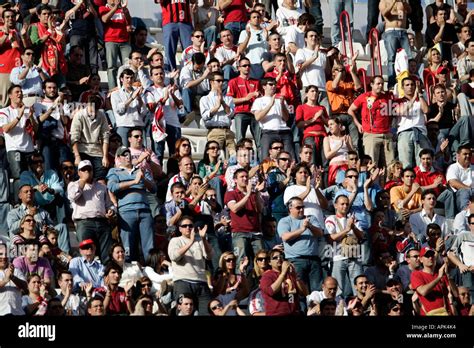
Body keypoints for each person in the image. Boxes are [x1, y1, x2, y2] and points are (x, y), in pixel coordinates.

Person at [107, 146, 156, 262]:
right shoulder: (114, 171)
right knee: (127, 246)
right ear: (118, 158)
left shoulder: (141, 170)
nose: (127, 156)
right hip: (126, 212)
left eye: (128, 154)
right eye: (124, 154)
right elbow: (112, 187)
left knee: (149, 246)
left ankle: (151, 271)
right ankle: (128, 271)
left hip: (144, 211)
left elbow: (154, 188)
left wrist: (143, 179)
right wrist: (134, 182)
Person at [67, 160, 114, 263]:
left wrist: (111, 211)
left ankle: (106, 275)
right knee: (86, 254)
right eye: (83, 170)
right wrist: (83, 181)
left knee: (107, 255)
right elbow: (73, 196)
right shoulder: (72, 185)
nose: (87, 171)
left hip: (102, 222)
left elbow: (109, 205)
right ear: (79, 172)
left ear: (93, 171)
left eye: (89, 169)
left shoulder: (102, 186)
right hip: (84, 223)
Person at [168, 216, 213, 316]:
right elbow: (174, 256)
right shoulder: (175, 241)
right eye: (184, 226)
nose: (188, 228)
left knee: (207, 312)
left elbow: (210, 256)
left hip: (201, 282)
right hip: (183, 282)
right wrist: (190, 242)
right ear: (180, 228)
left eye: (190, 226)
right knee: (182, 313)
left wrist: (203, 239)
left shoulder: (200, 241)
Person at [278, 196, 324, 293]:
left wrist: (310, 226)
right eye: (298, 207)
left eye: (303, 207)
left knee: (317, 291)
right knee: (299, 291)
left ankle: (316, 307)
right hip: (296, 260)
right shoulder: (285, 221)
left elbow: (320, 233)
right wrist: (302, 229)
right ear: (290, 209)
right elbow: (285, 237)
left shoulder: (311, 218)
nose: (302, 209)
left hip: (313, 259)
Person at [7, 184, 70, 254]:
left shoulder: (42, 211)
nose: (29, 193)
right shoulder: (14, 212)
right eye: (26, 192)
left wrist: (47, 229)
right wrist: (30, 215)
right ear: (20, 196)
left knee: (62, 227)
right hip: (25, 241)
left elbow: (51, 226)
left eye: (31, 191)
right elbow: (12, 229)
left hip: (42, 240)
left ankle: (65, 257)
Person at [348, 76, 394, 168]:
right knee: (371, 164)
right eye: (378, 83)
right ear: (372, 84)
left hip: (386, 135)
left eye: (382, 84)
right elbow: (350, 110)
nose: (380, 86)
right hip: (371, 134)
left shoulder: (387, 97)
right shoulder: (364, 97)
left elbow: (392, 113)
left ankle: (389, 183)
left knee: (390, 166)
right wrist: (358, 124)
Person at [0, 85, 37, 195]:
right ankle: (18, 202)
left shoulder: (27, 110)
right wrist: (19, 116)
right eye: (16, 92)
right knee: (18, 176)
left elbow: (36, 129)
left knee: (31, 176)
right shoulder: (4, 111)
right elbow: (5, 129)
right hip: (14, 149)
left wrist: (31, 117)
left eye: (21, 92)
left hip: (29, 148)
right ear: (10, 96)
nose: (20, 94)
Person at [224, 168, 265, 268]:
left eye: (246, 177)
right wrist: (247, 195)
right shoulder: (231, 194)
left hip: (256, 232)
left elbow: (260, 209)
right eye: (241, 177)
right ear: (235, 180)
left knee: (261, 263)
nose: (245, 179)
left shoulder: (253, 194)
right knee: (241, 262)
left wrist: (257, 193)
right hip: (240, 232)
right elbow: (234, 208)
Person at [325, 195, 365, 297]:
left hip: (355, 257)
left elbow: (362, 237)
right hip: (338, 258)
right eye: (342, 204)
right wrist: (347, 229)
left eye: (347, 204)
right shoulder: (331, 219)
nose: (345, 206)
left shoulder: (353, 219)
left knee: (359, 288)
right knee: (337, 289)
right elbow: (331, 238)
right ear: (335, 205)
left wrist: (353, 227)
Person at [144, 66, 183, 162]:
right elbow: (151, 108)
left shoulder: (172, 88)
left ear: (165, 75)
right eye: (156, 74)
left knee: (175, 154)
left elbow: (181, 105)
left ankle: (173, 175)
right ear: (151, 77)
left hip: (173, 123)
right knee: (158, 154)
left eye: (161, 73)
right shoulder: (150, 90)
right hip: (158, 125)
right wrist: (164, 99)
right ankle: (158, 175)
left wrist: (172, 94)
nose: (159, 76)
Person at [252, 77, 294, 161]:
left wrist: (282, 104)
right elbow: (257, 117)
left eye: (275, 84)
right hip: (268, 131)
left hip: (284, 131)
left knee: (290, 158)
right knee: (265, 159)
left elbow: (286, 118)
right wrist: (270, 104)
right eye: (270, 84)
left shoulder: (281, 100)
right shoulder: (259, 101)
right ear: (264, 86)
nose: (274, 86)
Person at [70, 95, 110, 181]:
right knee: (82, 178)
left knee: (101, 178)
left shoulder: (102, 115)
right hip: (82, 149)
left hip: (97, 150)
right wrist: (77, 156)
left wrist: (105, 156)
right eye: (91, 110)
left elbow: (105, 136)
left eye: (95, 111)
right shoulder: (79, 115)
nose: (93, 113)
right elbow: (74, 137)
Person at [394, 77, 431, 169]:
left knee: (423, 163)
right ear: (402, 87)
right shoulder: (398, 101)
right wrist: (414, 97)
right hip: (404, 132)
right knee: (405, 162)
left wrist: (420, 95)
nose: (410, 87)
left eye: (412, 85)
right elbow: (402, 112)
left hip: (420, 132)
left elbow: (426, 110)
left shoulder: (420, 100)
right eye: (407, 85)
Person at [410, 246, 457, 315]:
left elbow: (455, 294)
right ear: (421, 259)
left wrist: (448, 275)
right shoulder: (416, 274)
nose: (430, 258)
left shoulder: (441, 274)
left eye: (432, 255)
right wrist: (438, 278)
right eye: (427, 256)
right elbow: (423, 291)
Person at [199, 71, 236, 158]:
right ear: (211, 82)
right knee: (215, 157)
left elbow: (231, 115)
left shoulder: (228, 98)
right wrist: (216, 108)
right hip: (214, 131)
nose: (221, 83)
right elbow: (204, 116)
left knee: (235, 156)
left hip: (228, 130)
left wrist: (222, 102)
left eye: (222, 81)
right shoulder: (205, 99)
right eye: (218, 81)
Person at [259, 249, 306, 316]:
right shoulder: (267, 276)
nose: (279, 259)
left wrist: (295, 276)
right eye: (275, 258)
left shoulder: (290, 274)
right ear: (269, 262)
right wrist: (283, 273)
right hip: (276, 313)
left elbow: (304, 293)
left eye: (281, 256)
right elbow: (271, 291)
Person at [227, 57, 261, 145]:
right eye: (244, 65)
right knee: (240, 139)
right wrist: (245, 98)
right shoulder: (233, 82)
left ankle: (260, 158)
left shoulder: (256, 82)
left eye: (249, 65)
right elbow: (229, 100)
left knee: (259, 140)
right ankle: (240, 157)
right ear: (239, 68)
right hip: (240, 112)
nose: (247, 67)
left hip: (254, 113)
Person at [414, 148, 456, 220]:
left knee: (449, 192)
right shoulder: (415, 171)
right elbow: (416, 189)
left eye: (428, 159)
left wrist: (441, 186)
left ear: (433, 159)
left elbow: (444, 186)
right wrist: (433, 185)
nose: (425, 161)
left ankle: (450, 220)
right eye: (423, 159)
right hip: (422, 200)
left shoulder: (437, 172)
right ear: (420, 160)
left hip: (435, 199)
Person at [99, 0, 132, 89]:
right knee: (111, 67)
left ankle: (127, 87)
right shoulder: (103, 8)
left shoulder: (122, 9)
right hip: (111, 40)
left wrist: (126, 11)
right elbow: (104, 19)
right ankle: (113, 89)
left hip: (124, 41)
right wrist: (115, 8)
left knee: (127, 66)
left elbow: (129, 22)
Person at [379, 0, 412, 88]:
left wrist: (404, 3)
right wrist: (393, 2)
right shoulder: (383, 1)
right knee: (392, 58)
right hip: (390, 31)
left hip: (403, 31)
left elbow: (409, 11)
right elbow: (385, 13)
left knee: (408, 57)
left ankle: (408, 83)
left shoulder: (403, 1)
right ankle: (392, 84)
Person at [110, 69, 147, 146]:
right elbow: (119, 110)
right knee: (124, 151)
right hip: (124, 125)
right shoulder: (115, 94)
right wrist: (132, 98)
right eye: (127, 78)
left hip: (138, 125)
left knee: (140, 152)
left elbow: (143, 112)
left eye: (131, 78)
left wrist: (139, 98)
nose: (129, 80)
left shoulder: (139, 92)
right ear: (121, 79)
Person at [155, 0, 194, 71]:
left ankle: (190, 72)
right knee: (169, 50)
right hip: (169, 21)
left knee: (189, 50)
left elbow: (193, 1)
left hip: (185, 21)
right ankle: (171, 75)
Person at [297, 85, 329, 167]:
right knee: (312, 161)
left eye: (316, 91)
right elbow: (299, 124)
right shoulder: (301, 107)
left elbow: (328, 124)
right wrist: (314, 119)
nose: (315, 93)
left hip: (323, 136)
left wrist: (321, 116)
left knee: (325, 162)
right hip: (310, 136)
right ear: (306, 94)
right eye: (312, 91)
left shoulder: (322, 108)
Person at [448, 214, 474, 300]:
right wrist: (460, 265)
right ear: (469, 225)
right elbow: (451, 253)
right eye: (473, 223)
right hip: (467, 271)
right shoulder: (463, 236)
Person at [238, 11, 268, 79]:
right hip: (253, 64)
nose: (256, 19)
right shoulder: (244, 32)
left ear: (261, 19)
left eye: (258, 17)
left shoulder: (266, 32)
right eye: (254, 17)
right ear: (250, 20)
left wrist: (267, 37)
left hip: (266, 64)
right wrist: (248, 36)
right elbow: (241, 50)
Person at [323, 118, 353, 186]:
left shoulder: (347, 137)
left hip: (347, 165)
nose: (329, 126)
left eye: (332, 124)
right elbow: (327, 155)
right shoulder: (327, 139)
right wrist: (338, 146)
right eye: (328, 125)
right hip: (335, 167)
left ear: (339, 125)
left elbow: (353, 154)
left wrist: (347, 144)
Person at [0, 242, 27, 315]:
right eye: (0, 254)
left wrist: (12, 277)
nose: (4, 257)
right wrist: (5, 280)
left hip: (17, 313)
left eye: (6, 254)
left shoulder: (16, 270)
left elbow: (25, 287)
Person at [267, 150, 292, 223]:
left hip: (292, 211)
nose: (287, 162)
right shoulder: (272, 174)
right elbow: (273, 189)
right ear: (278, 161)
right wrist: (287, 179)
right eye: (284, 159)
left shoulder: (294, 175)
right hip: (278, 211)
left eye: (289, 160)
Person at [446, 145, 474, 212]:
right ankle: (466, 214)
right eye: (465, 154)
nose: (468, 156)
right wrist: (469, 189)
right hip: (460, 196)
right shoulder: (453, 167)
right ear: (458, 156)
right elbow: (453, 182)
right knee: (464, 191)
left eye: (469, 154)